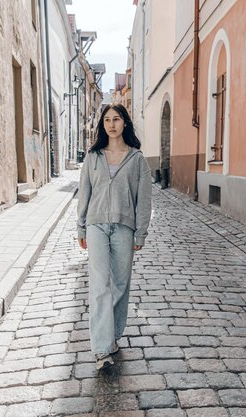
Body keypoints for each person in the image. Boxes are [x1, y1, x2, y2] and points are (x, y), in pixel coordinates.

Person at [77, 104, 152, 371]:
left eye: (116, 119)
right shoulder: (93, 156)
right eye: (107, 120)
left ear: (125, 123)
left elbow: (143, 199)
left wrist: (140, 231)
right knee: (99, 286)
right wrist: (81, 226)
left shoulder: (137, 159)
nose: (111, 124)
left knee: (120, 285)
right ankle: (101, 349)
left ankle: (113, 336)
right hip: (97, 226)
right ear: (102, 125)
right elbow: (84, 191)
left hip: (124, 228)